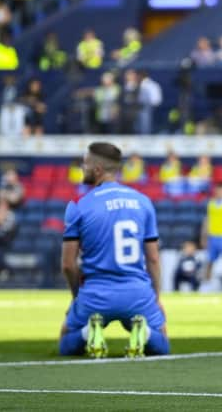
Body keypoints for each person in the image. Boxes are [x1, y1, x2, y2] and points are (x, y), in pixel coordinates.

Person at [59, 142, 169, 358]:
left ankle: (88, 331)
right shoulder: (143, 202)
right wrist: (155, 298)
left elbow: (67, 264)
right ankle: (144, 333)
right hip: (137, 293)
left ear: (97, 170)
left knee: (65, 341)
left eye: (85, 164)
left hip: (95, 294)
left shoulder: (79, 205)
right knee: (163, 343)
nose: (82, 168)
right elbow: (153, 259)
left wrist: (76, 297)